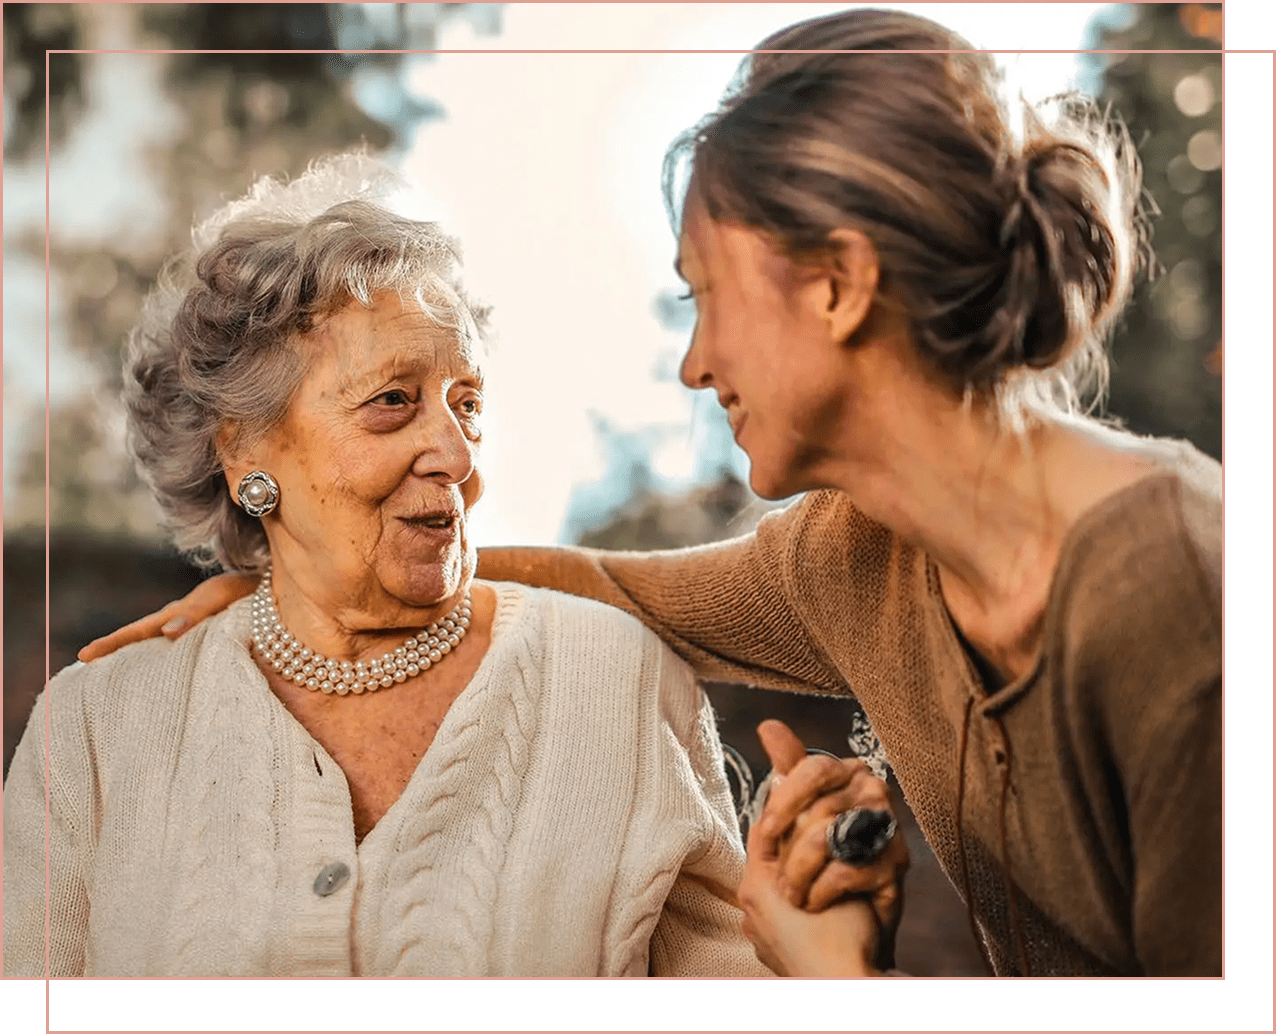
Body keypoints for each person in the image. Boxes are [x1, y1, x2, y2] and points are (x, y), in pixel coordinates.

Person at [76, 9, 1222, 978]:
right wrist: (297, 576)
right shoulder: (852, 557)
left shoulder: (1179, 590)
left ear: (836, 285)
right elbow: (613, 585)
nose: (695, 362)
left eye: (705, 294)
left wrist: (827, 974)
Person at [2, 153, 787, 979]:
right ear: (244, 452)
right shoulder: (95, 729)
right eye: (392, 402)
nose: (454, 453)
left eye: (468, 404)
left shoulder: (620, 683)